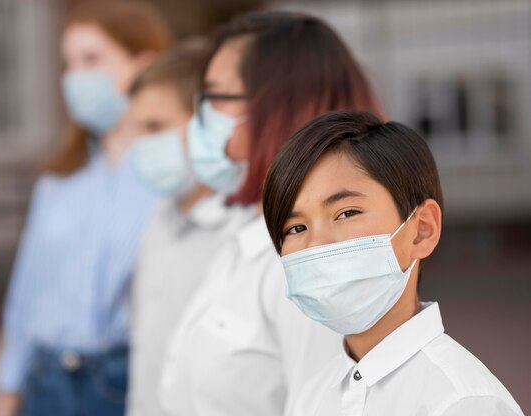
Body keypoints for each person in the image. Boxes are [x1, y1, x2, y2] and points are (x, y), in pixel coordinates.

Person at [157, 11, 382, 416]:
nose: (197, 121)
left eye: (214, 99)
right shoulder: (244, 230)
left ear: (281, 107)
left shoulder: (316, 260)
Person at [262, 111, 524, 416]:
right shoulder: (311, 396)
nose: (316, 244)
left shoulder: (463, 403)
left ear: (421, 230)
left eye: (346, 213)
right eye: (296, 228)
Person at [0, 2, 172, 416]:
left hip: (127, 383)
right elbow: (26, 293)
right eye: (69, 62)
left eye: (91, 59)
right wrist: (8, 392)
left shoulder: (170, 176)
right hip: (46, 383)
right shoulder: (58, 178)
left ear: (143, 64)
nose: (75, 77)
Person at [125, 38, 257, 416]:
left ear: (207, 124)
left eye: (156, 126)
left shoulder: (248, 230)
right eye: (137, 128)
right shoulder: (158, 222)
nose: (142, 144)